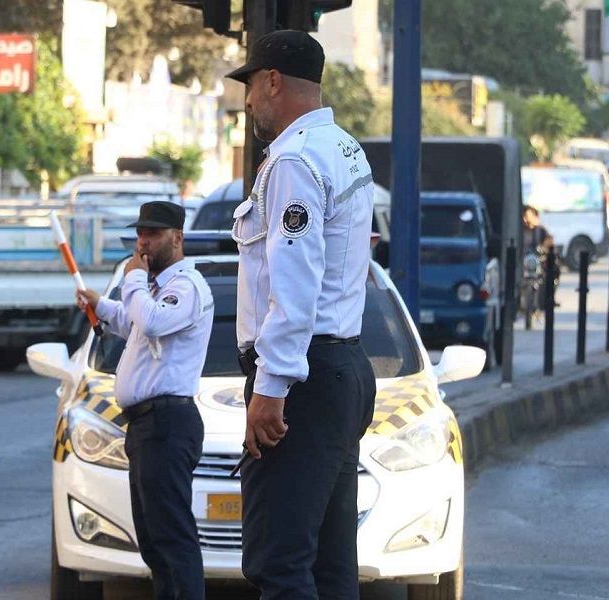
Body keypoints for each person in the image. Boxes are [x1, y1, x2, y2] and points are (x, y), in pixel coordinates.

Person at [226, 30, 378, 598]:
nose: (247, 103)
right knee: (329, 565)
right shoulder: (343, 147)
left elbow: (295, 286)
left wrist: (271, 386)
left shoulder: (293, 160)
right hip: (342, 367)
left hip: (304, 379)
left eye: (249, 87)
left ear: (272, 81)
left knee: (279, 563)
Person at [76, 201, 214, 600]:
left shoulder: (186, 286)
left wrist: (132, 278)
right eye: (140, 234)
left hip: (167, 423)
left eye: (153, 234)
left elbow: (152, 321)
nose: (143, 243)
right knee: (154, 542)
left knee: (171, 538)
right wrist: (101, 306)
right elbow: (136, 322)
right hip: (147, 426)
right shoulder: (155, 289)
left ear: (177, 237)